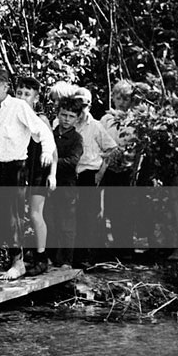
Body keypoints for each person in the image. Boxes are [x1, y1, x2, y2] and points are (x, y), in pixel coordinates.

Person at [0, 65, 55, 281]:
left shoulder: (19, 106)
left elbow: (42, 132)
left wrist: (47, 152)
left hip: (16, 167)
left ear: (5, 86)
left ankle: (18, 262)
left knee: (12, 216)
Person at [16, 76, 57, 275]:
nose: (23, 98)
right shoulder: (13, 115)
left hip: (38, 172)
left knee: (35, 213)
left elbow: (53, 150)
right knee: (18, 215)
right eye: (19, 93)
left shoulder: (40, 119)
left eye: (27, 94)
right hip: (20, 171)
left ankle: (42, 257)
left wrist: (53, 175)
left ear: (36, 97)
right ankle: (22, 258)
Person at [73, 87, 117, 265]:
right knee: (72, 215)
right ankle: (72, 256)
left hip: (89, 174)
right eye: (76, 104)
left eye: (83, 105)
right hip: (70, 174)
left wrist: (100, 172)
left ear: (89, 105)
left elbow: (111, 148)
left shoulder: (96, 126)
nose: (80, 109)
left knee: (89, 215)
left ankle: (88, 257)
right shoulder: (67, 122)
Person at [99, 80, 138, 256]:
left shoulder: (135, 120)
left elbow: (138, 146)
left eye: (126, 99)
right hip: (108, 168)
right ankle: (111, 247)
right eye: (118, 98)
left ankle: (126, 247)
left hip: (127, 168)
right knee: (110, 207)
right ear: (113, 98)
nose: (121, 102)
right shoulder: (106, 119)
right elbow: (99, 140)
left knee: (125, 209)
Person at [46, 97, 84, 269]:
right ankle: (50, 257)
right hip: (49, 184)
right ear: (58, 114)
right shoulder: (50, 135)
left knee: (66, 223)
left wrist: (52, 161)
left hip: (67, 185)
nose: (66, 119)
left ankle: (66, 260)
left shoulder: (77, 138)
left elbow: (72, 161)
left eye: (71, 116)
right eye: (63, 114)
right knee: (49, 220)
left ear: (77, 118)